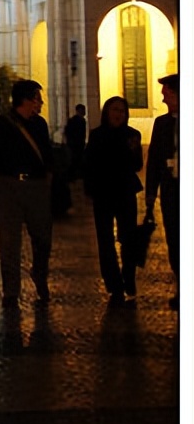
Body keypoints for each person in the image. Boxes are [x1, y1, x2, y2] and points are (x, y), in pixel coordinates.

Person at [0, 78, 54, 309]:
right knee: (9, 241)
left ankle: (40, 273)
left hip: (36, 186)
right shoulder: (2, 125)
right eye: (38, 99)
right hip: (9, 186)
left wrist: (48, 180)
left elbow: (47, 155)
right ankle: (11, 291)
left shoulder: (40, 125)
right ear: (27, 100)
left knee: (43, 238)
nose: (41, 103)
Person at [82, 96, 143, 306]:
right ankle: (113, 283)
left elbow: (137, 164)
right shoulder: (97, 135)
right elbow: (88, 164)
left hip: (125, 191)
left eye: (122, 111)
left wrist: (130, 150)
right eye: (114, 110)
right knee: (105, 240)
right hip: (103, 193)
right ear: (107, 112)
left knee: (128, 238)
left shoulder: (133, 135)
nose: (118, 114)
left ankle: (129, 277)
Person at [144, 73, 179, 309]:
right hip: (171, 191)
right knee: (174, 239)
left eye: (166, 93)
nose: (163, 97)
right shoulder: (162, 123)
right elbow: (154, 160)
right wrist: (150, 194)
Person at [64, 104, 88, 182]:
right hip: (75, 145)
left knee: (76, 161)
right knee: (75, 161)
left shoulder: (80, 120)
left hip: (77, 144)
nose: (84, 112)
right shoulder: (75, 121)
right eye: (82, 110)